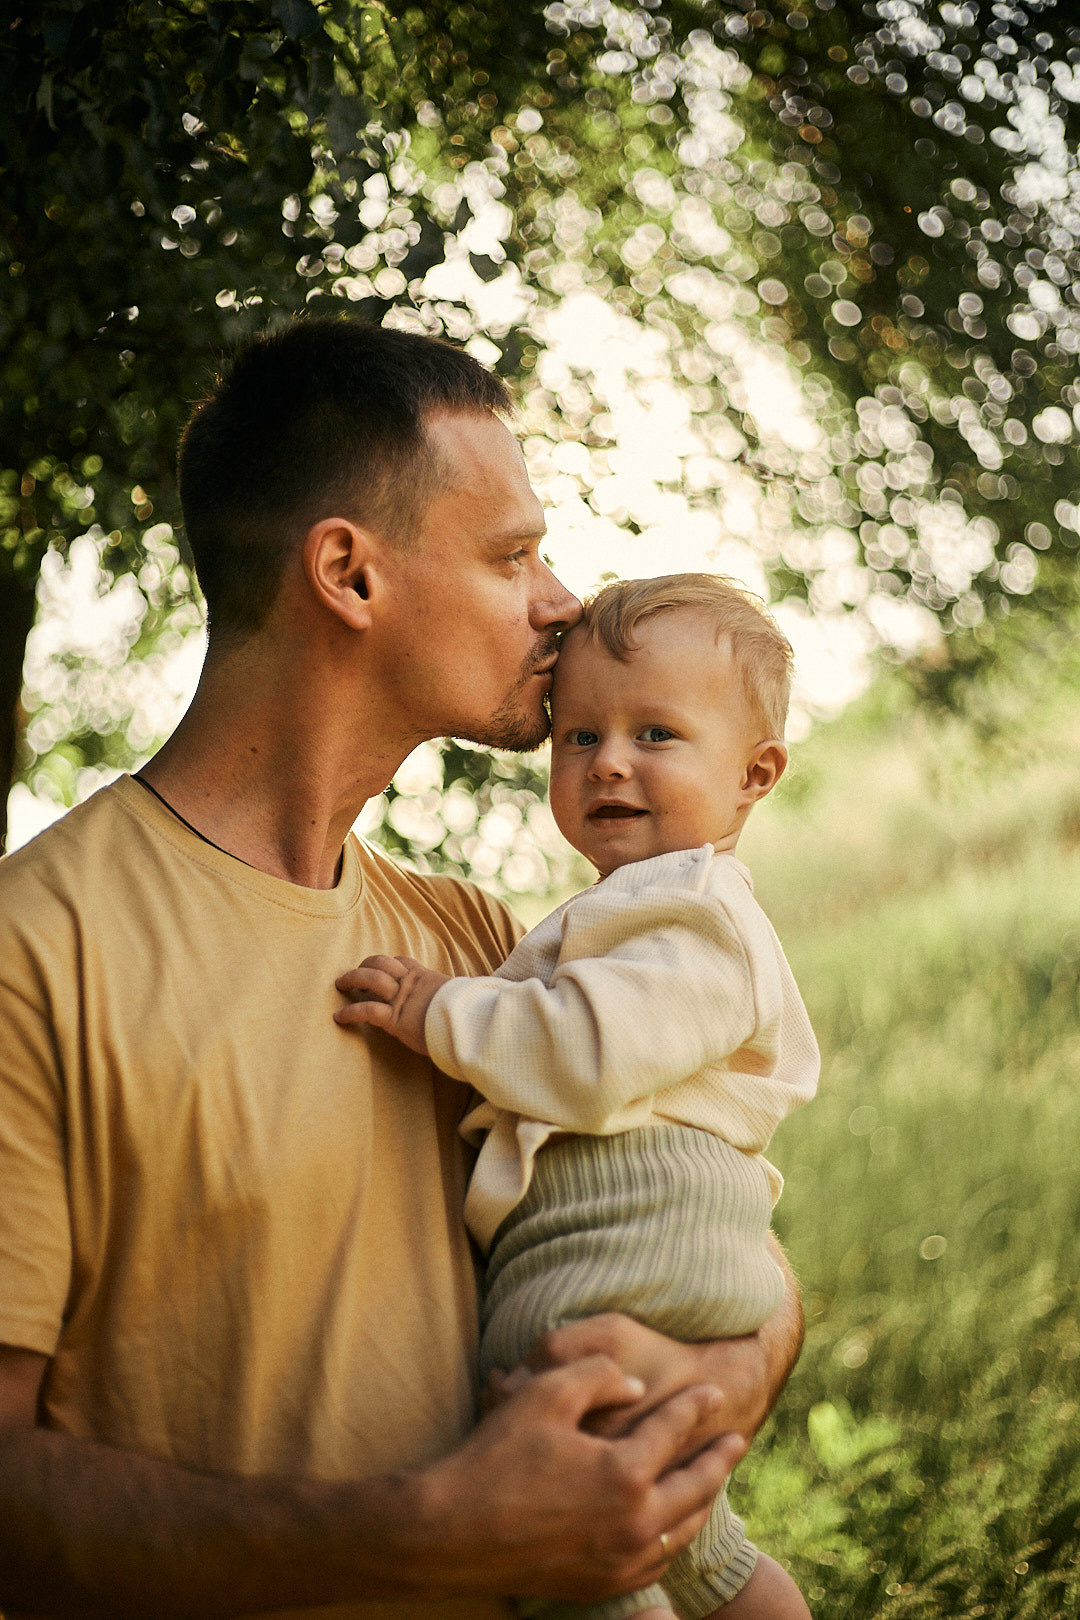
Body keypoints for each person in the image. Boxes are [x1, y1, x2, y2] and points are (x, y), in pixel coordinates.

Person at [0, 319, 805, 1619]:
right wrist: (420, 1539)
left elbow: (709, 1235)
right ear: (348, 574)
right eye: (512, 555)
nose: (560, 602)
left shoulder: (487, 946)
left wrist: (720, 1374)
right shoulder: (35, 953)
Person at [336, 575, 818, 1620]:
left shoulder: (692, 911)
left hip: (619, 1254)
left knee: (575, 1559)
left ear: (755, 775)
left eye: (656, 733)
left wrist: (437, 1011)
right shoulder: (633, 906)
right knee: (692, 1547)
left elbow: (586, 1056)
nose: (607, 760)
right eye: (578, 736)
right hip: (626, 1249)